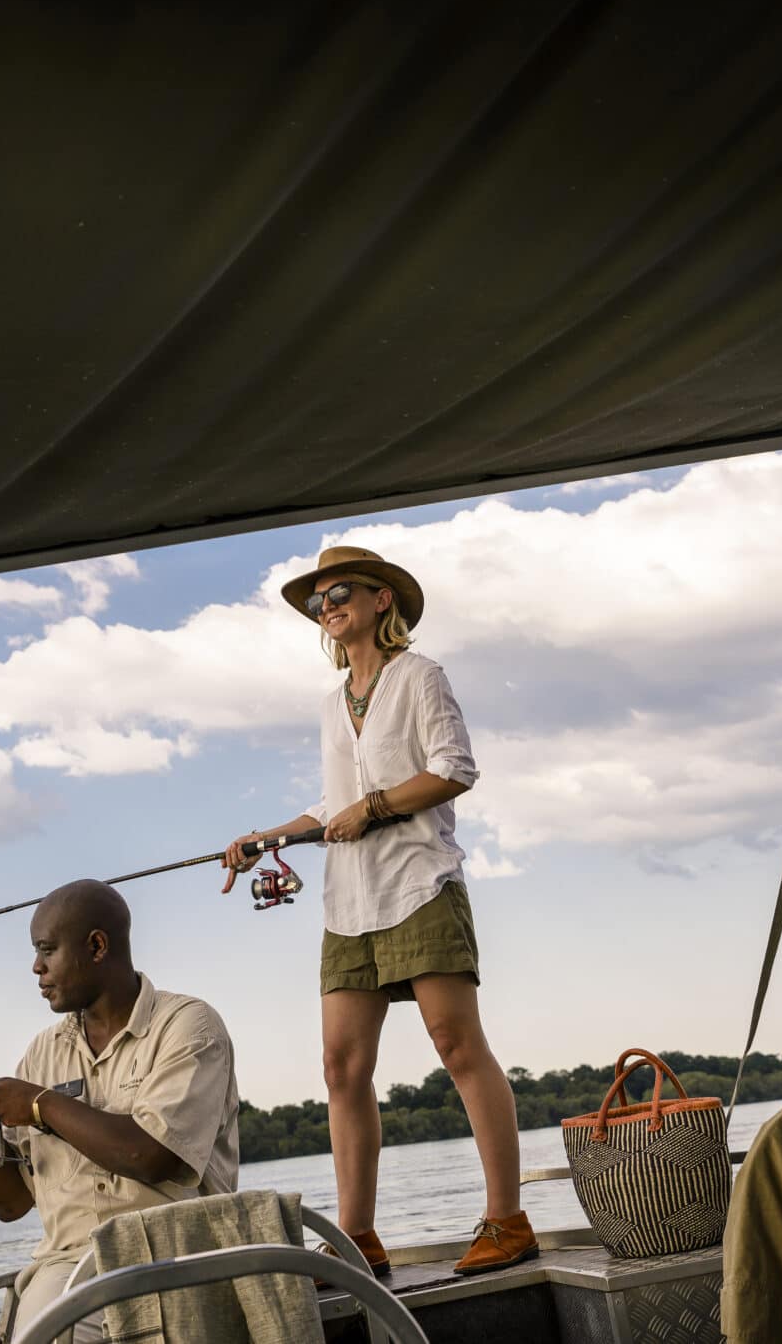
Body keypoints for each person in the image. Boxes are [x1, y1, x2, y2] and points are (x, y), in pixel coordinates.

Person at [221, 544, 535, 1277]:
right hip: (348, 903)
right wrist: (267, 838)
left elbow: (454, 768)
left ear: (380, 599)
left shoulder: (421, 676)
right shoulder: (331, 704)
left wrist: (375, 806)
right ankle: (357, 1240)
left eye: (339, 594)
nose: (326, 607)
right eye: (317, 601)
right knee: (341, 1066)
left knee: (457, 1045)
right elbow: (331, 805)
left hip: (421, 884)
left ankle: (509, 1220)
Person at [0, 879, 240, 1341]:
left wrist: (41, 1104)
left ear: (96, 947)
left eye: (47, 950)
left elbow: (152, 1156)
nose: (36, 967)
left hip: (178, 1264)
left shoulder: (188, 1025)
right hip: (69, 1272)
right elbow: (10, 1203)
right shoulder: (42, 1054)